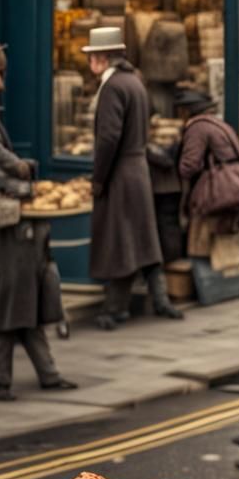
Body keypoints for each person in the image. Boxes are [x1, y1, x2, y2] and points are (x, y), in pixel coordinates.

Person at [0, 39, 76, 401]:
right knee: (14, 300)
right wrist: (20, 166)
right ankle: (0, 380)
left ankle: (48, 373)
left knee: (28, 297)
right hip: (10, 218)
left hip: (18, 218)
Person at [82, 27, 184, 331]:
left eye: (91, 57)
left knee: (120, 241)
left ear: (101, 58)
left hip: (120, 174)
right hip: (138, 170)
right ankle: (162, 300)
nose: (90, 63)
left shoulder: (112, 86)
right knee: (143, 239)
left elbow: (108, 138)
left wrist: (98, 178)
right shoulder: (136, 82)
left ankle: (115, 309)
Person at [174, 88, 239, 266]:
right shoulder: (220, 124)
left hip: (214, 195)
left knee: (203, 245)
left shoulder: (197, 127)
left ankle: (208, 287)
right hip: (233, 188)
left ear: (187, 111)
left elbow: (189, 166)